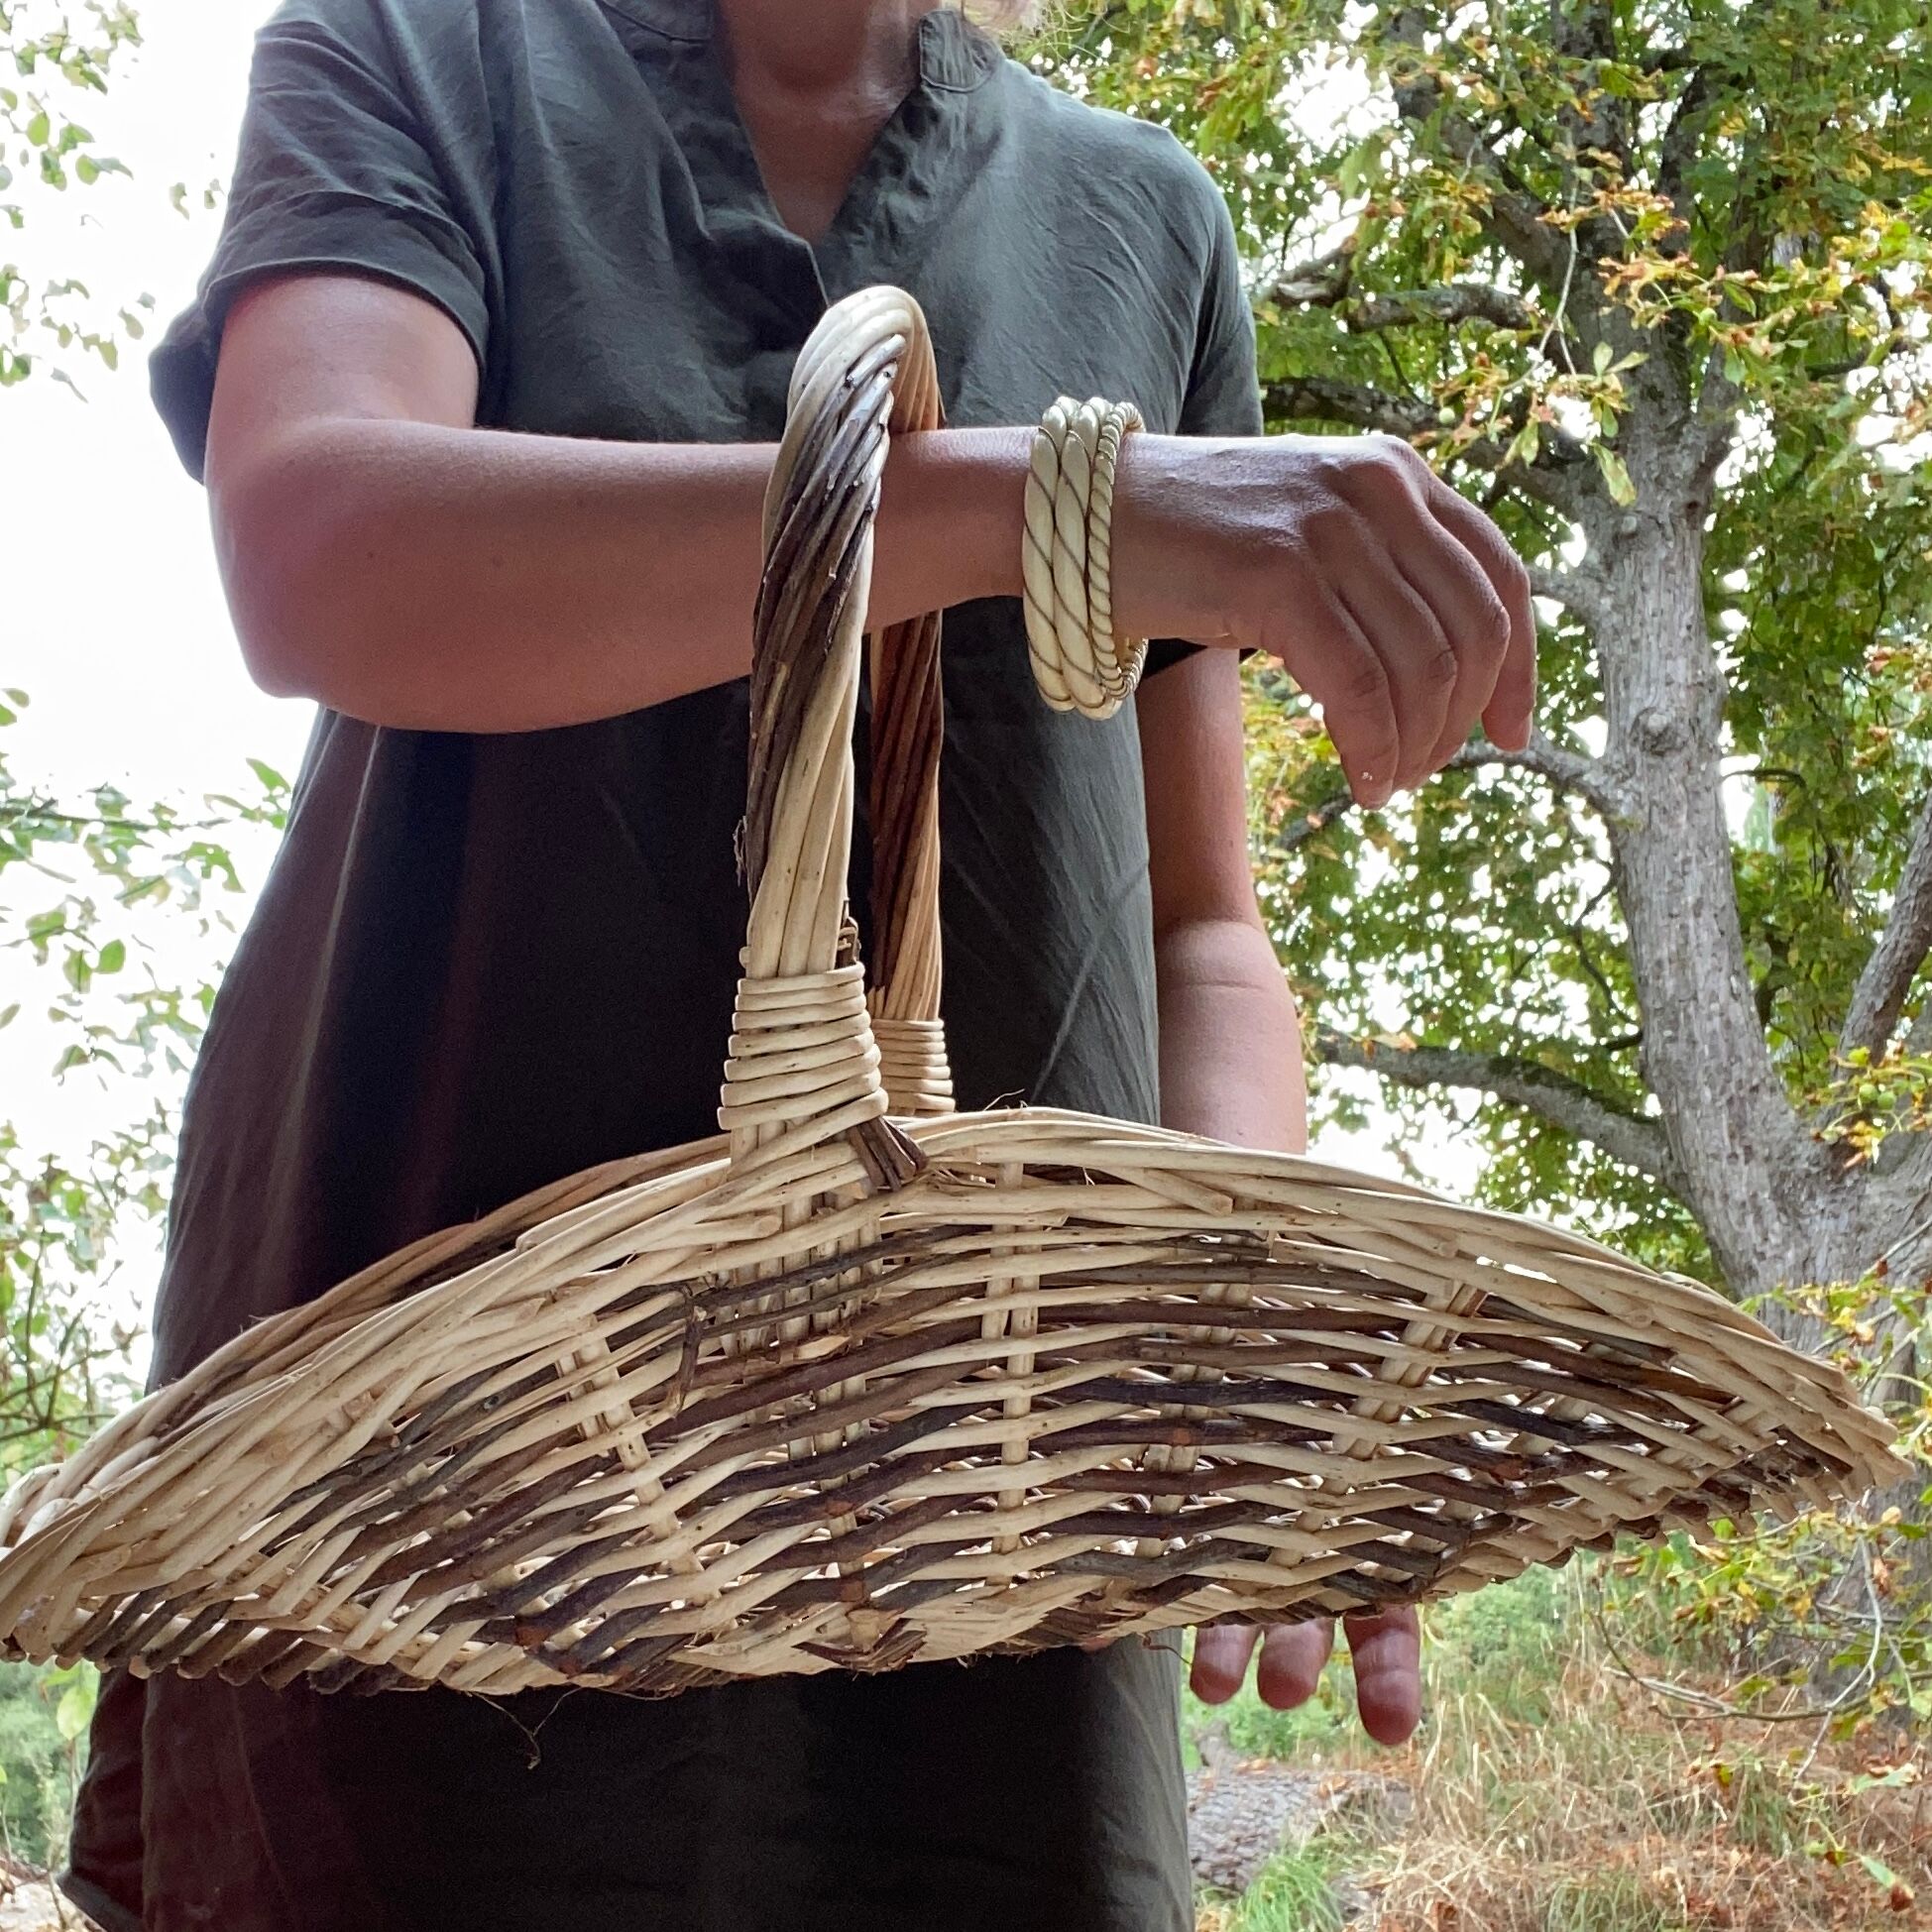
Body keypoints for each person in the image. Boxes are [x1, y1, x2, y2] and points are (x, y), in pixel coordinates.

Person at [62, 1, 1534, 1926]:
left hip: (991, 1501)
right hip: (432, 1465)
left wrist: (1237, 1343)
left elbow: (1202, 937)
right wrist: (1047, 505)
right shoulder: (419, 52)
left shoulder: (1141, 219)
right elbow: (321, 541)